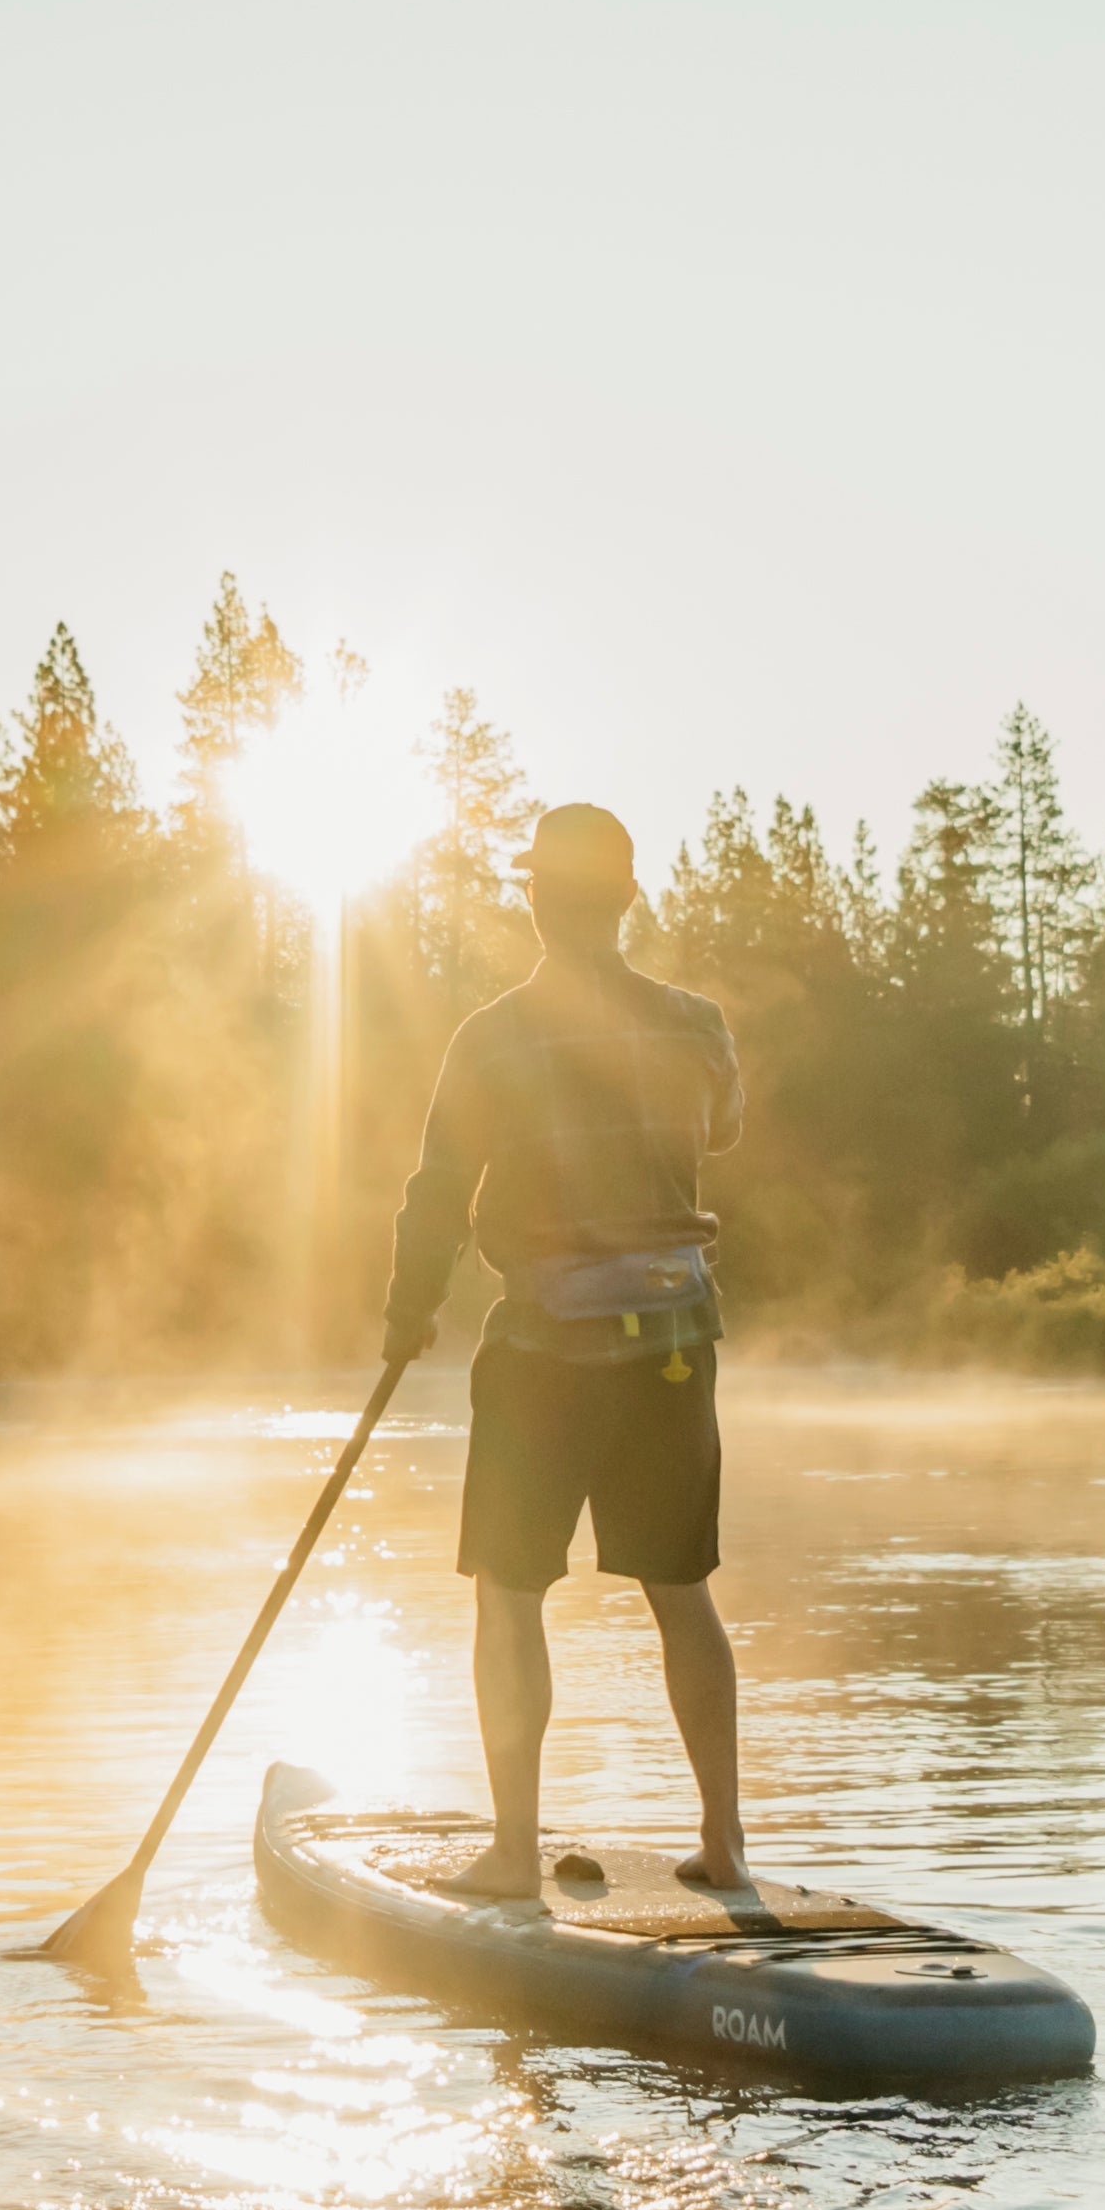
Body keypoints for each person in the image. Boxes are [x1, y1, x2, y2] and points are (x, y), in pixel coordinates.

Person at [381, 799, 751, 1902]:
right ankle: (725, 1846)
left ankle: (510, 1854)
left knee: (507, 1590)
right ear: (628, 899)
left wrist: (409, 1310)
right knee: (681, 1593)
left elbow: (439, 1186)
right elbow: (721, 1132)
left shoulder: (492, 1035)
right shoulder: (699, 1025)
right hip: (677, 1343)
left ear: (535, 901)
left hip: (544, 1347)